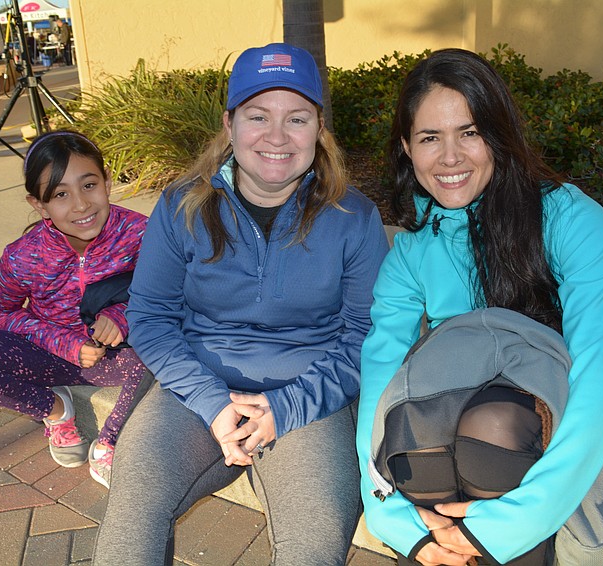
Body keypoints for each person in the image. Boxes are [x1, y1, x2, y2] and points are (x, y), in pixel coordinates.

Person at [92, 43, 389, 565]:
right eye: (258, 116)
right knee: (132, 509)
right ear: (229, 124)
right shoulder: (181, 205)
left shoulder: (354, 218)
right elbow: (151, 318)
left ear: (319, 130)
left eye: (297, 119)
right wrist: (212, 403)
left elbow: (366, 335)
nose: (277, 137)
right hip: (194, 388)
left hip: (309, 398)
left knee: (313, 545)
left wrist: (289, 406)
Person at [356, 48, 603, 565]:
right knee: (411, 439)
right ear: (406, 148)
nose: (450, 157)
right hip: (466, 431)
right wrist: (393, 518)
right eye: (430, 138)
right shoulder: (411, 251)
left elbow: (600, 375)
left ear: (499, 134)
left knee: (492, 427)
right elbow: (381, 379)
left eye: (469, 132)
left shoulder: (570, 221)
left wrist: (511, 525)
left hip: (568, 420)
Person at [0, 130, 147, 489]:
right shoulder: (23, 255)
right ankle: (55, 410)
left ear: (106, 181)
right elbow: (1, 311)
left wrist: (122, 314)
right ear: (39, 205)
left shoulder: (140, 232)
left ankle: (109, 444)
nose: (80, 205)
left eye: (89, 185)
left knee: (171, 346)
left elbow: (171, 292)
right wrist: (62, 343)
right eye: (60, 194)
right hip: (48, 355)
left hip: (119, 357)